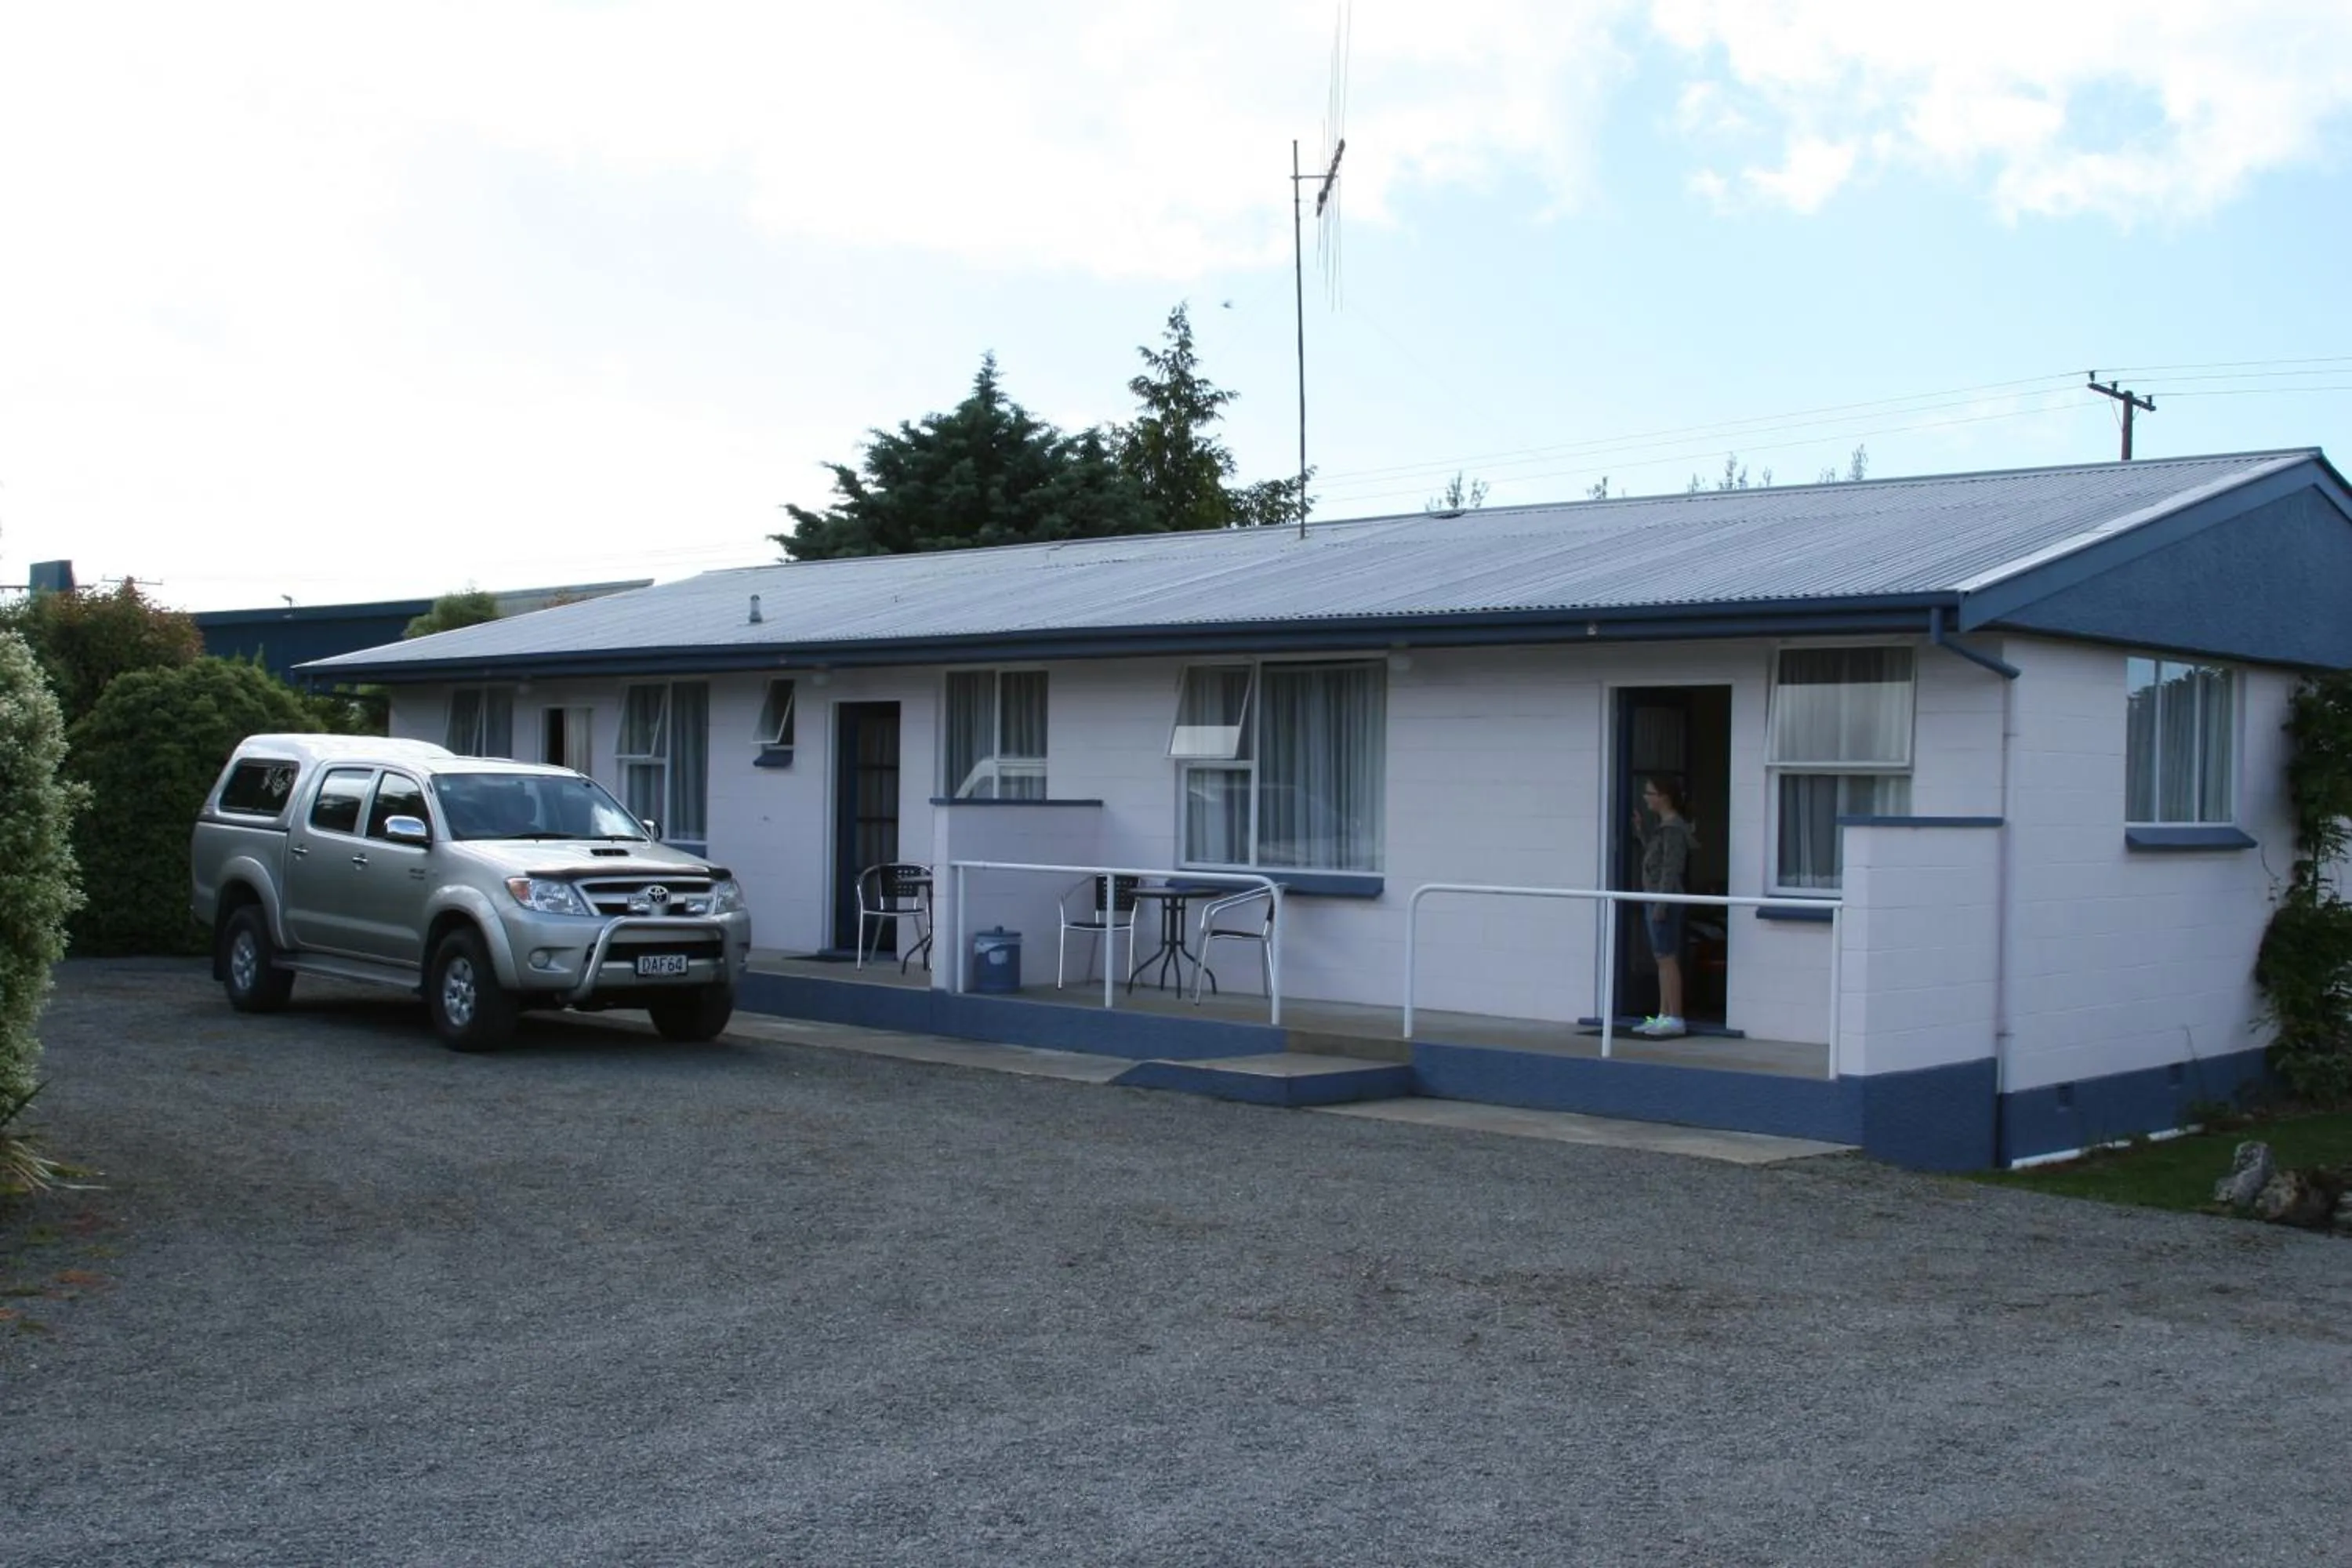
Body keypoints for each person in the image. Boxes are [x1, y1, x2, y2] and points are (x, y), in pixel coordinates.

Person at [1630, 778, 1697, 1039]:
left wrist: (1662, 903)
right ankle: (1661, 1015)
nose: (1646, 798)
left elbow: (1671, 869)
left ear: (1664, 797)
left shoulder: (1673, 829)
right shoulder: (1663, 828)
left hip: (1664, 900)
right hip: (1655, 897)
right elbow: (1656, 861)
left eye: (1650, 793)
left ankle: (1675, 1017)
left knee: (1668, 959)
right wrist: (1641, 832)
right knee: (1661, 958)